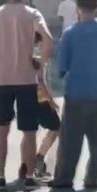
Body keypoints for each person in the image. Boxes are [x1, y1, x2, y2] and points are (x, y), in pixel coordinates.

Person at [0, 0, 53, 191]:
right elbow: (48, 38)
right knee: (29, 131)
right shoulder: (32, 13)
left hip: (2, 80)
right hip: (26, 79)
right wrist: (40, 62)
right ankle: (29, 176)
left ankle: (1, 176)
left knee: (2, 128)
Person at [50, 0, 97, 191]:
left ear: (78, 8)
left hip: (77, 93)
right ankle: (93, 179)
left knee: (70, 140)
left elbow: (62, 68)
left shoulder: (71, 34)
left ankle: (64, 178)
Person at [29, 32, 61, 179]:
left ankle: (33, 164)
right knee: (56, 127)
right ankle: (39, 159)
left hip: (26, 99)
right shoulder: (38, 58)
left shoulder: (21, 55)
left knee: (30, 133)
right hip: (40, 100)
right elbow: (41, 82)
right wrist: (51, 100)